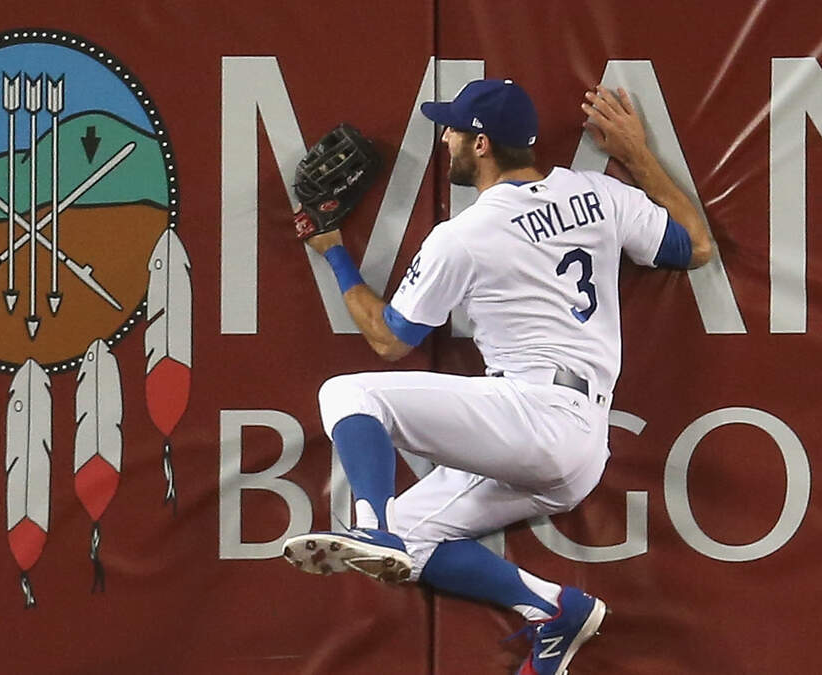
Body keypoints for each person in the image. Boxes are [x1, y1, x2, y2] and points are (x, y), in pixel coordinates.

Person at [283, 78, 713, 675]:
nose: (446, 139)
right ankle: (554, 609)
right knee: (415, 536)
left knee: (347, 392)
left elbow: (388, 339)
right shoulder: (599, 194)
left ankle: (373, 528)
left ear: (481, 144)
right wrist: (638, 155)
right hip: (581, 448)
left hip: (533, 412)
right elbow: (696, 246)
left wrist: (334, 251)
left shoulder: (466, 235)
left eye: (454, 130)